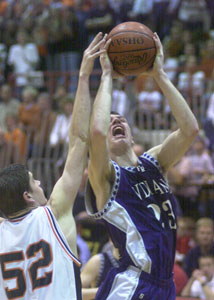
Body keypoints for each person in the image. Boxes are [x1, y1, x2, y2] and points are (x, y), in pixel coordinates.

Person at [85, 33, 199, 299]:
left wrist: (159, 74)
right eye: (110, 119)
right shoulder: (105, 176)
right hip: (133, 283)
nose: (115, 121)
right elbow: (98, 133)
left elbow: (190, 129)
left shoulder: (154, 162)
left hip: (165, 282)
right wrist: (106, 77)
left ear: (132, 134)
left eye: (121, 119)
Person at [0, 32, 107, 300]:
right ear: (27, 196)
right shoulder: (52, 214)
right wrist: (83, 78)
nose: (40, 184)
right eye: (34, 182)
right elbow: (79, 141)